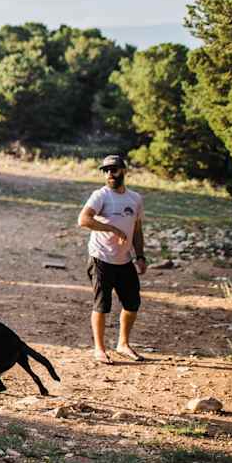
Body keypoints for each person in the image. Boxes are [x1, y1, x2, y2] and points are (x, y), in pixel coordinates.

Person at [78, 154, 148, 365]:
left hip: (124, 260)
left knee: (132, 303)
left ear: (123, 170)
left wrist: (140, 256)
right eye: (106, 170)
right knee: (102, 305)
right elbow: (83, 220)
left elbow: (137, 229)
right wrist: (111, 228)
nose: (110, 174)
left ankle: (123, 344)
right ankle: (99, 349)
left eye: (114, 169)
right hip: (101, 258)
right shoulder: (101, 196)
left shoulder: (135, 199)